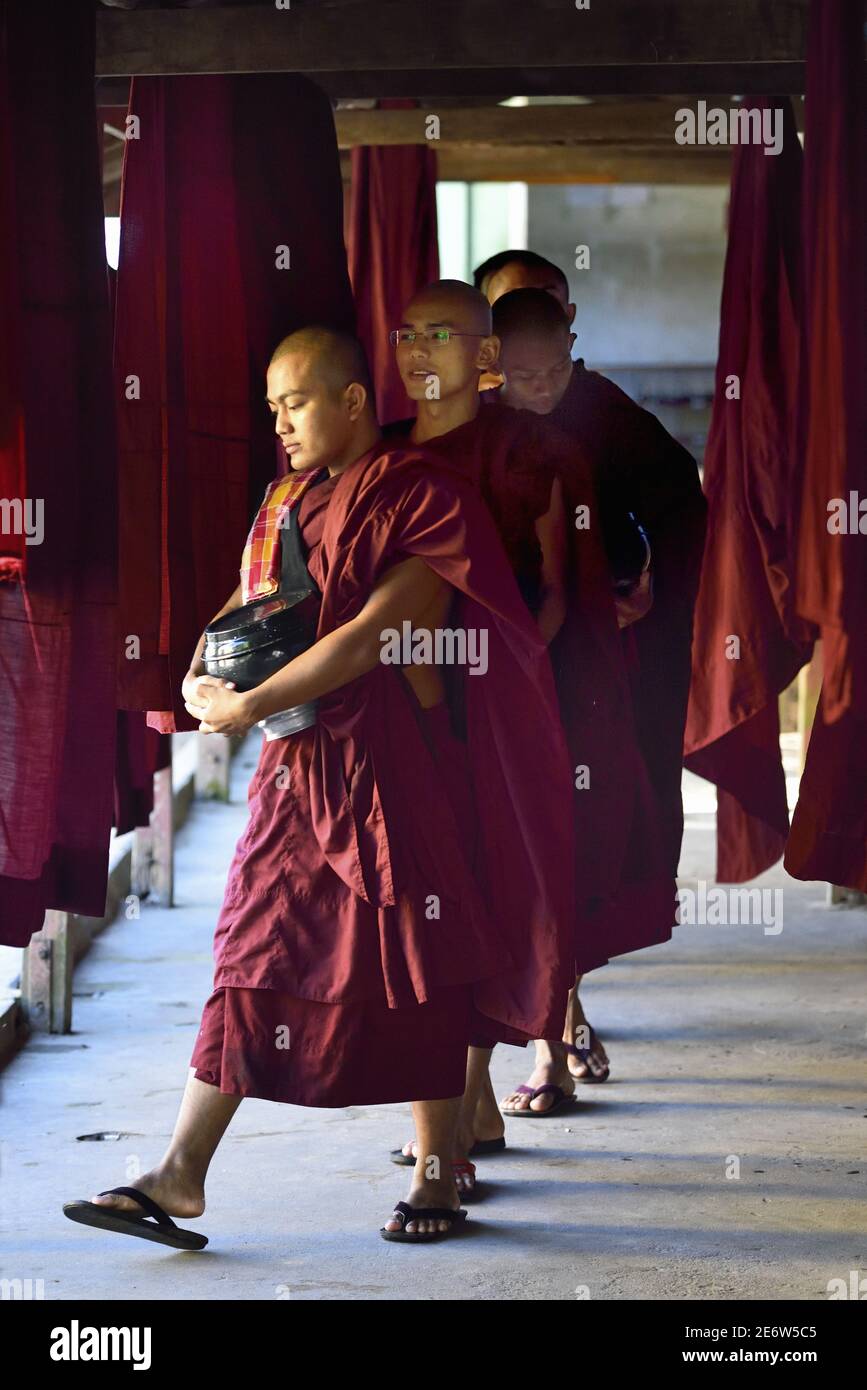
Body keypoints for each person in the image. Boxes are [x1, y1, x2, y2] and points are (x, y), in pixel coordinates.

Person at [63, 326, 576, 1247]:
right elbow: (244, 604)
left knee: (415, 955)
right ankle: (179, 1175)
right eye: (271, 408)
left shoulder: (422, 495)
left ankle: (435, 1170)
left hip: (393, 766)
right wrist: (197, 676)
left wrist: (251, 699)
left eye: (295, 403)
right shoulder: (285, 500)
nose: (281, 424)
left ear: (348, 402)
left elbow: (375, 633)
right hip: (296, 765)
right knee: (250, 950)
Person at [385, 281, 661, 1177]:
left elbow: (550, 596)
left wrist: (486, 675)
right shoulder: (381, 456)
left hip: (503, 706)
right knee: (424, 902)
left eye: (444, 335)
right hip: (397, 707)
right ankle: (459, 1106)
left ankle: (467, 1097)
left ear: (485, 355)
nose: (422, 352)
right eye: (407, 335)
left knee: (497, 887)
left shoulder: (539, 451)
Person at [487, 277, 708, 1081]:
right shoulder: (466, 432)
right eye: (522, 376)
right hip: (490, 672)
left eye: (553, 375)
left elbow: (674, 508)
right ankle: (467, 1089)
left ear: (571, 350)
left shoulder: (602, 415)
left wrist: (638, 580)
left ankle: (557, 1023)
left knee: (569, 842)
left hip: (586, 671)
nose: (541, 392)